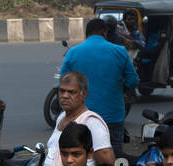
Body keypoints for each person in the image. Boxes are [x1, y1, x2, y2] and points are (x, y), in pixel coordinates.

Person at [59, 18, 138, 156]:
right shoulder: (120, 51)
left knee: (82, 157)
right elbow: (133, 80)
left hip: (81, 116)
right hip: (112, 115)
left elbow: (62, 82)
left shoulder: (73, 53)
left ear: (86, 34)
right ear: (104, 32)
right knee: (115, 157)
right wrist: (119, 88)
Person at [42, 71, 115, 166]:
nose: (65, 96)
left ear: (84, 94)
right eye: (62, 91)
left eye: (71, 92)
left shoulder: (92, 123)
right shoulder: (61, 117)